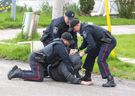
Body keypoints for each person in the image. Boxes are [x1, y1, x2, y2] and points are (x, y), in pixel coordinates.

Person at [7, 32, 91, 85]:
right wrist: (72, 71)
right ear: (64, 40)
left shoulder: (59, 44)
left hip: (38, 59)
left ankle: (18, 70)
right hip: (36, 60)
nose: (69, 43)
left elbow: (60, 52)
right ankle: (18, 74)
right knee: (38, 77)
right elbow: (66, 60)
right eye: (68, 42)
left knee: (40, 73)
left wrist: (69, 50)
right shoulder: (60, 46)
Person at [69, 19, 117, 87]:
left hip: (108, 42)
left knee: (101, 60)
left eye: (73, 28)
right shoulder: (83, 29)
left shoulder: (86, 29)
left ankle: (110, 80)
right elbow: (86, 42)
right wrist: (78, 49)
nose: (73, 30)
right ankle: (87, 77)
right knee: (90, 55)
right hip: (100, 42)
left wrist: (83, 52)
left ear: (78, 25)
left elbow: (92, 45)